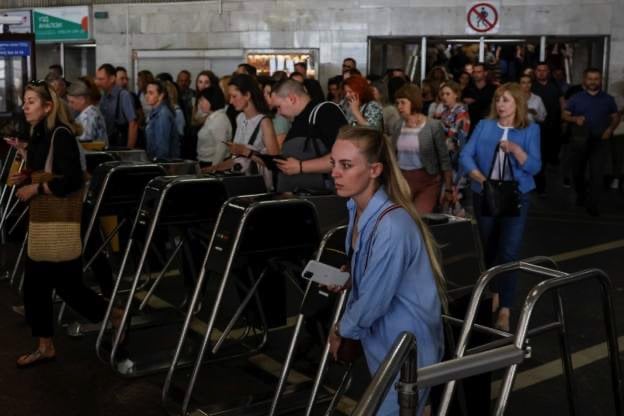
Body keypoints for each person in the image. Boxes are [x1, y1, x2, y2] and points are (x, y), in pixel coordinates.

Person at [327, 125, 445, 416]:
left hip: (407, 346)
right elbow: (375, 276)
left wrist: (341, 329)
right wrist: (352, 275)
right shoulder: (358, 210)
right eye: (333, 163)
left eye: (346, 165)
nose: (335, 173)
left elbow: (375, 299)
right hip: (383, 340)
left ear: (374, 169)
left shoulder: (391, 225)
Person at [11, 81, 121, 368]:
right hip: (44, 223)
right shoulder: (40, 135)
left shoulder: (60, 135)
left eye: (32, 101)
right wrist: (24, 173)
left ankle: (114, 315)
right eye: (25, 100)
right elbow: (44, 173)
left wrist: (35, 189)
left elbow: (72, 180)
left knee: (68, 287)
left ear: (48, 107)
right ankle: (45, 345)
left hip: (59, 221)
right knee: (38, 286)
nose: (25, 105)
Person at [460, 82, 541, 331]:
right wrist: (483, 181)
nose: (500, 104)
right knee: (489, 249)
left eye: (506, 100)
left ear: (517, 103)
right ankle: (494, 290)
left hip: (516, 195)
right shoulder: (484, 126)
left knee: (509, 251)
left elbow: (535, 167)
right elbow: (465, 155)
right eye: (498, 100)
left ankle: (505, 307)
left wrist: (516, 150)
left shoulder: (530, 130)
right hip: (485, 194)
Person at [271, 79, 348, 191]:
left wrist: (301, 167)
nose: (279, 113)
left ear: (292, 99)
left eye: (278, 106)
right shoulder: (300, 118)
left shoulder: (325, 111)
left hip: (321, 199)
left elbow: (344, 156)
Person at [563, 68, 620, 216]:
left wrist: (610, 129)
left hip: (600, 141)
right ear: (584, 80)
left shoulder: (608, 99)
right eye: (590, 79)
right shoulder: (576, 98)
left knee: (597, 174)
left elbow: (615, 117)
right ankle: (581, 195)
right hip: (580, 141)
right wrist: (575, 119)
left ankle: (593, 204)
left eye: (596, 79)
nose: (593, 82)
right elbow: (565, 115)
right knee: (578, 172)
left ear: (600, 80)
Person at [392, 83, 454, 214]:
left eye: (403, 102)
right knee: (401, 218)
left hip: (428, 180)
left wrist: (448, 188)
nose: (399, 107)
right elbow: (393, 153)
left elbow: (444, 158)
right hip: (402, 180)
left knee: (420, 219)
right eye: (397, 103)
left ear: (413, 102)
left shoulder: (433, 126)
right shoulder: (398, 125)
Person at [211, 74, 278, 173]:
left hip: (259, 183)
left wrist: (244, 151)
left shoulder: (264, 122)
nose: (231, 101)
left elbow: (275, 162)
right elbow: (239, 159)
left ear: (247, 95)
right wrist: (213, 168)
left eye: (234, 96)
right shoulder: (240, 118)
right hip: (242, 179)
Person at [532, 62, 564, 195]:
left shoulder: (554, 86)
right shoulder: (532, 87)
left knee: (547, 156)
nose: (541, 72)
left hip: (553, 127)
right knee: (537, 156)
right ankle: (539, 185)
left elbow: (562, 102)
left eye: (544, 70)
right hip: (536, 128)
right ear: (535, 72)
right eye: (539, 70)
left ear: (548, 72)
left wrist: (564, 118)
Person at [96, 63, 138, 148]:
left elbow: (133, 123)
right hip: (108, 144)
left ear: (112, 79)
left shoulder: (123, 95)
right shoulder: (103, 96)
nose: (98, 82)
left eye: (101, 79)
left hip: (120, 145)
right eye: (98, 79)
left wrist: (129, 150)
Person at [439, 81, 471, 187]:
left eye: (448, 94)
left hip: (456, 153)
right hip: (445, 153)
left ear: (456, 94)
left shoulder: (461, 111)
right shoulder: (444, 112)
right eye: (443, 94)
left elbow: (457, 133)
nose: (444, 97)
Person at [195, 86, 232, 169]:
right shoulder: (211, 116)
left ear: (212, 100)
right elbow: (196, 117)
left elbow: (221, 147)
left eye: (202, 100)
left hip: (212, 163)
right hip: (204, 161)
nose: (200, 103)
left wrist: (213, 169)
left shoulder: (219, 119)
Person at [144, 80, 180, 160]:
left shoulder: (163, 115)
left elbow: (162, 147)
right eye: (146, 92)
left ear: (161, 96)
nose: (146, 96)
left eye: (151, 93)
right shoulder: (155, 112)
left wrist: (159, 165)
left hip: (163, 164)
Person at [463, 63, 496, 134]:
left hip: (488, 122)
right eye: (474, 72)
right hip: (471, 123)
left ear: (485, 73)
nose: (476, 74)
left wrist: (475, 101)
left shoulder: (493, 89)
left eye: (479, 72)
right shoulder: (467, 89)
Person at [259, 77, 291, 148]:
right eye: (263, 92)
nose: (264, 96)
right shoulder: (266, 114)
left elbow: (278, 149)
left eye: (268, 93)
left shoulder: (280, 119)